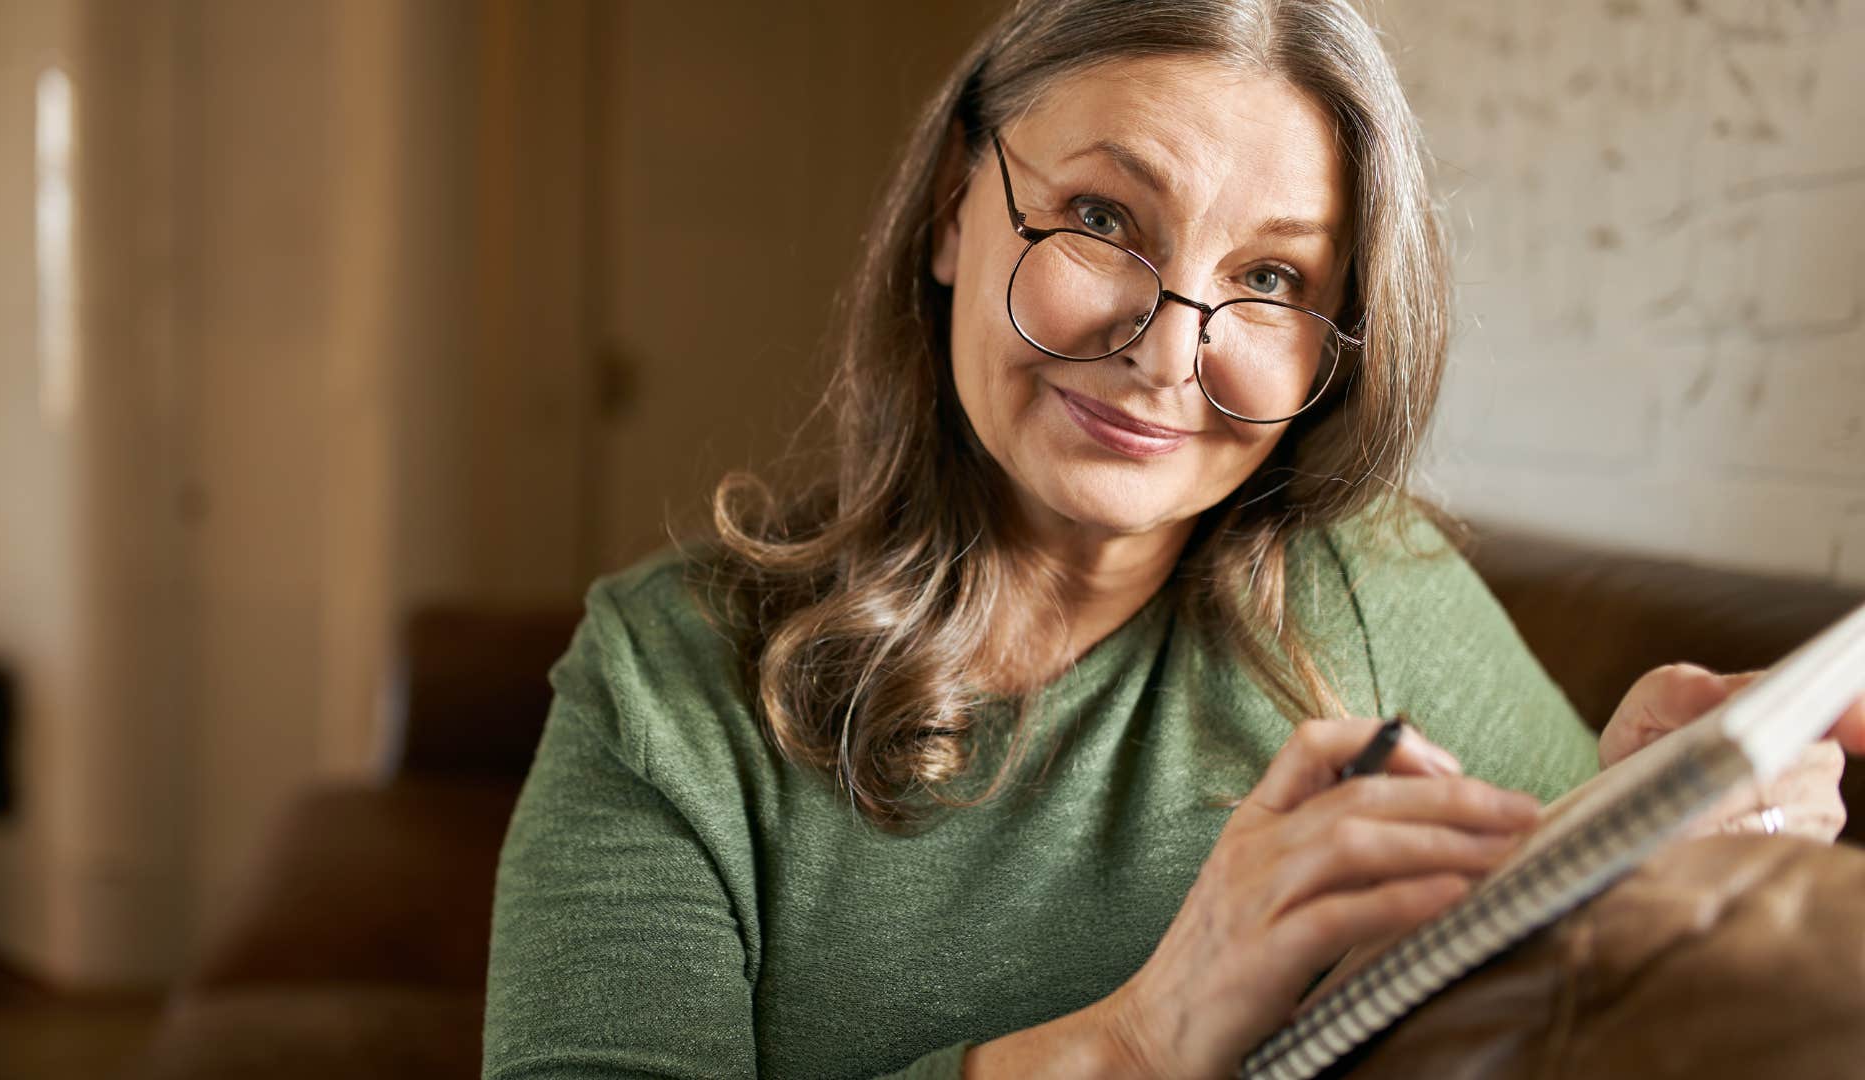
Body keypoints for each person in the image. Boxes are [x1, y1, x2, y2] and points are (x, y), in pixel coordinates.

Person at [482, 2, 1865, 1078]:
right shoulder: (666, 679)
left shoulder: (1369, 583)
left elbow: (1543, 954)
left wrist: (1658, 830)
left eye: (1269, 280)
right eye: (1100, 220)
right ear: (959, 204)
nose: (1166, 355)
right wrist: (1135, 1042)